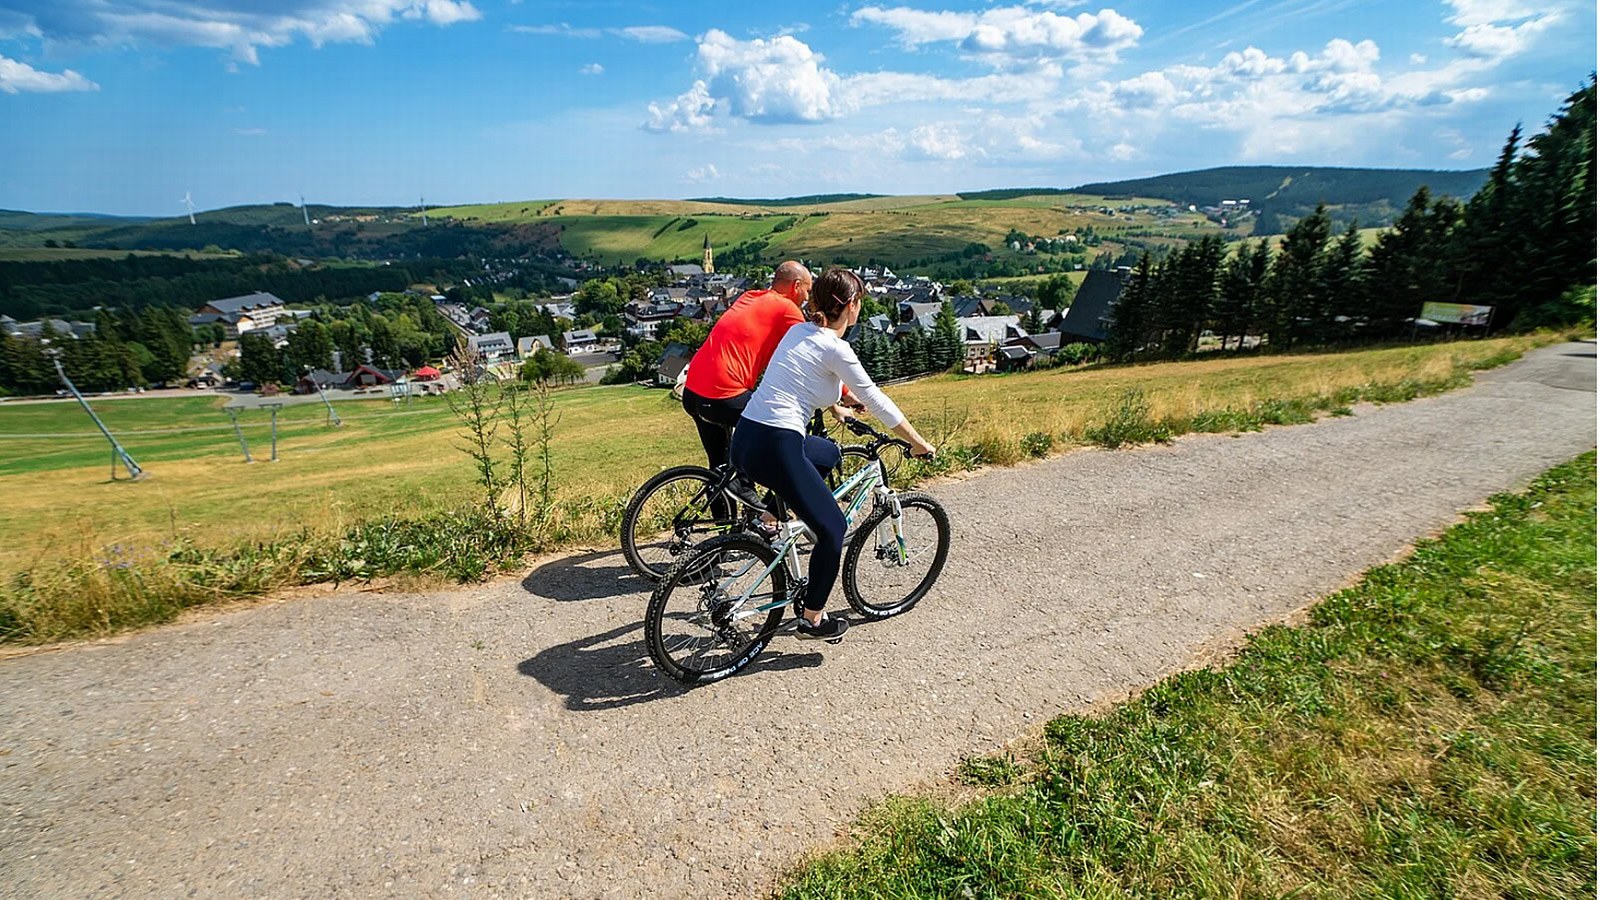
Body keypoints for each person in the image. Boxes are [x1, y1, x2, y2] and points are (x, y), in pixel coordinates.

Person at [730, 268, 935, 641]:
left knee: (826, 452)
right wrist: (917, 441)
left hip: (746, 438)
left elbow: (810, 378)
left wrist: (842, 400)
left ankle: (769, 517)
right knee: (833, 529)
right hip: (776, 445)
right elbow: (878, 400)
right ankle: (812, 619)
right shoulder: (837, 347)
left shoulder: (799, 332)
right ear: (853, 306)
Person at [680, 261, 813, 476]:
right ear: (796, 286)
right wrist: (842, 394)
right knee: (782, 433)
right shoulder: (787, 308)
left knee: (719, 468)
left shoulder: (749, 296)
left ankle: (734, 502)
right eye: (807, 290)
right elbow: (816, 353)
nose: (807, 298)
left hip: (693, 391)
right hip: (723, 395)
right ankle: (768, 502)